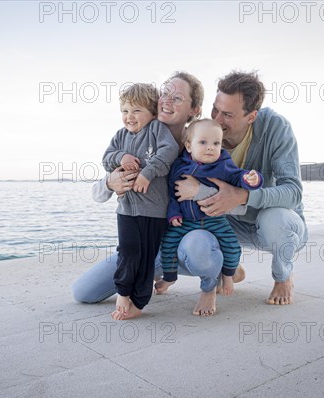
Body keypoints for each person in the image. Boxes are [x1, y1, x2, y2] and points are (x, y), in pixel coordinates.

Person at [75, 72, 236, 318]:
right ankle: (158, 272)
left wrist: (199, 190)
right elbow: (98, 192)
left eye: (178, 98)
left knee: (198, 246)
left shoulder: (204, 145)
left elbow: (236, 201)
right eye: (164, 94)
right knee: (83, 292)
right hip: (140, 234)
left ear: (194, 109)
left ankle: (211, 280)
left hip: (180, 237)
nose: (167, 101)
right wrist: (110, 182)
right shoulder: (132, 137)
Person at [168, 70, 308, 308]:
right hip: (229, 224)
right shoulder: (204, 135)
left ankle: (283, 275)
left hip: (275, 226)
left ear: (251, 116)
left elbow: (293, 192)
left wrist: (243, 195)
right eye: (215, 110)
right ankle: (228, 266)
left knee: (275, 218)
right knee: (184, 238)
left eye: (228, 115)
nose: (218, 120)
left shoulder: (276, 128)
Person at [157, 119, 262, 298]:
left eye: (216, 143)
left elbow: (238, 176)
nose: (211, 147)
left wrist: (252, 179)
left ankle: (228, 275)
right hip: (186, 221)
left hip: (215, 219)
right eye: (203, 142)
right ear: (189, 146)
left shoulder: (222, 164)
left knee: (231, 244)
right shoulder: (180, 166)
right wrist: (173, 213)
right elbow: (172, 193)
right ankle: (169, 277)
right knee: (168, 244)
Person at [101, 83, 179, 319]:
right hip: (125, 208)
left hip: (153, 210)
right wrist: (120, 156)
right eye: (125, 111)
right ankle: (123, 291)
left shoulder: (157, 129)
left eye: (136, 111)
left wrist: (148, 172)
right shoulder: (120, 136)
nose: (129, 116)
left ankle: (140, 302)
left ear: (152, 113)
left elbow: (170, 150)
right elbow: (106, 159)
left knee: (146, 256)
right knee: (128, 250)